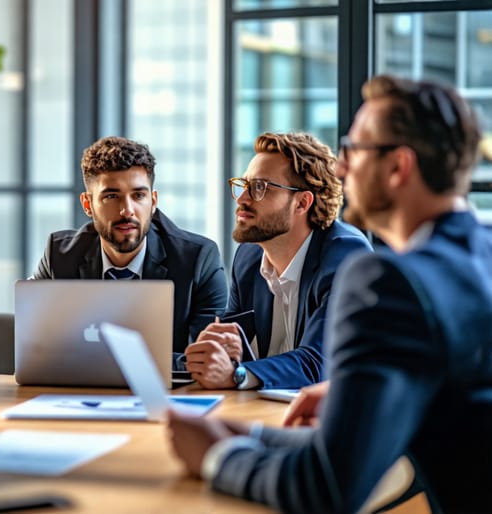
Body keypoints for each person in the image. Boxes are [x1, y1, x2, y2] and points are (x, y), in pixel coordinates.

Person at [167, 75, 492, 513]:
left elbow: (326, 490)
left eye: (355, 150)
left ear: (398, 167)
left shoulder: (387, 280)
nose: (341, 168)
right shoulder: (481, 252)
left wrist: (216, 456)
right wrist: (267, 430)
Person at [185, 133, 371, 390]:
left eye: (260, 187)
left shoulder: (346, 256)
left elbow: (318, 363)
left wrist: (237, 374)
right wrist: (218, 349)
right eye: (244, 185)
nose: (242, 199)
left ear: (302, 203)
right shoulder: (248, 257)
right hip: (263, 408)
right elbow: (233, 344)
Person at [32, 136, 228, 367]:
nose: (127, 210)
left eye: (138, 195)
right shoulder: (60, 255)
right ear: (87, 204)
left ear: (153, 201)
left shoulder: (198, 259)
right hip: (79, 395)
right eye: (111, 196)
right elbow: (37, 349)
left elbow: (205, 360)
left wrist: (100, 360)